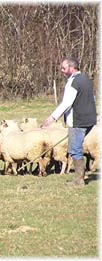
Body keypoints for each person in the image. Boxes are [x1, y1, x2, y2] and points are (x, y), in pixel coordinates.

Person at [42, 57, 97, 187]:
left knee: (75, 149)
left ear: (72, 68)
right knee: (77, 147)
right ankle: (80, 176)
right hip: (89, 119)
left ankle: (78, 180)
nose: (62, 70)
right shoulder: (86, 80)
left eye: (64, 68)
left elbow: (67, 103)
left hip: (77, 120)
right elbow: (92, 99)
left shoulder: (73, 82)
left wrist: (52, 118)